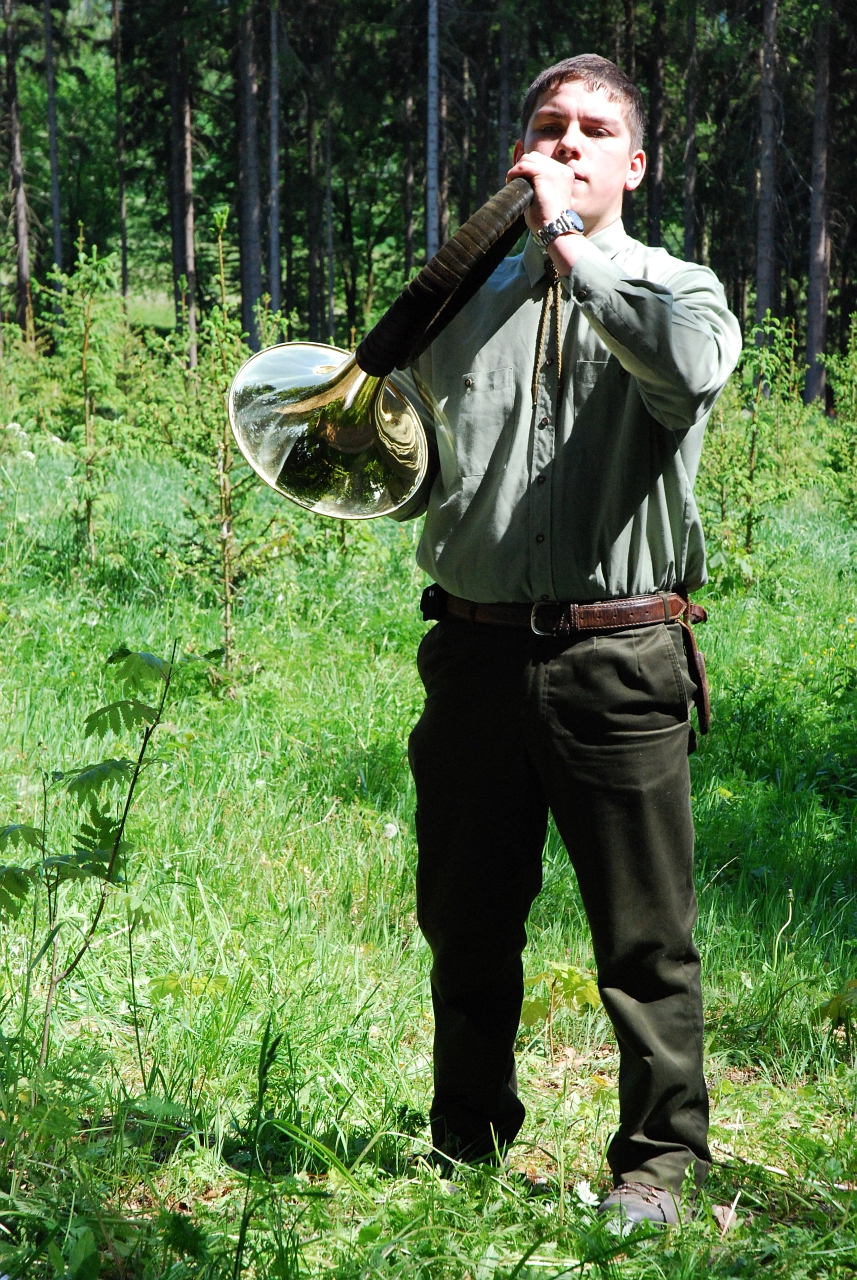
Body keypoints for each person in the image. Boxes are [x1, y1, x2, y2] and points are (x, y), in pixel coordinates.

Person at [397, 53, 742, 1227]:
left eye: (594, 129)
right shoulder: (458, 298)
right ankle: (464, 1142)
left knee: (645, 941)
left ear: (632, 165)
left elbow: (683, 372)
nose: (567, 142)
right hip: (472, 655)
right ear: (518, 145)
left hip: (619, 658)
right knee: (465, 923)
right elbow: (401, 449)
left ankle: (659, 1166)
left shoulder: (678, 288)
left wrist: (564, 244)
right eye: (548, 123)